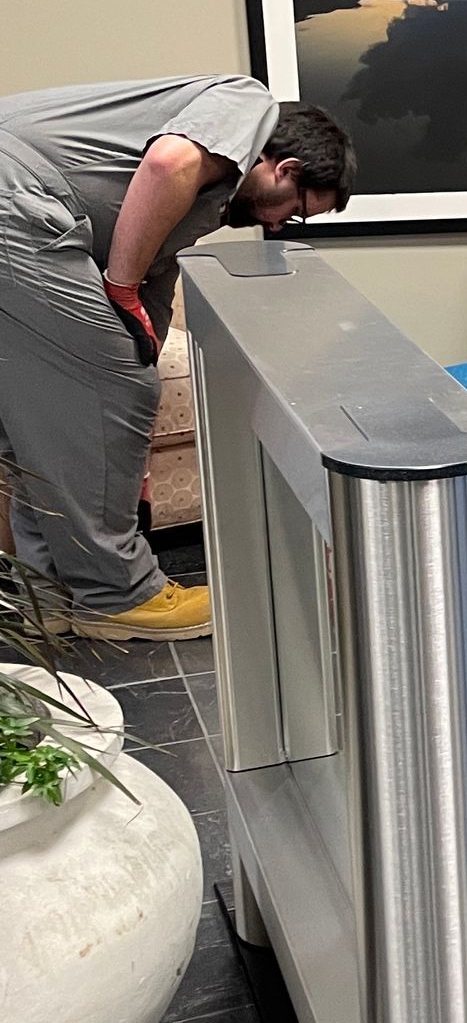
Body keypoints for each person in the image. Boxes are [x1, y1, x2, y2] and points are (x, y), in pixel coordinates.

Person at [0, 79, 354, 638]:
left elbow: (150, 291)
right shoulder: (249, 104)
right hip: (13, 199)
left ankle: (51, 593)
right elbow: (166, 165)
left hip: (18, 207)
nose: (280, 225)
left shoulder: (206, 201)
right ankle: (117, 595)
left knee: (37, 423)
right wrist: (119, 293)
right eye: (298, 212)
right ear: (284, 168)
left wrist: (127, 414)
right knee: (108, 389)